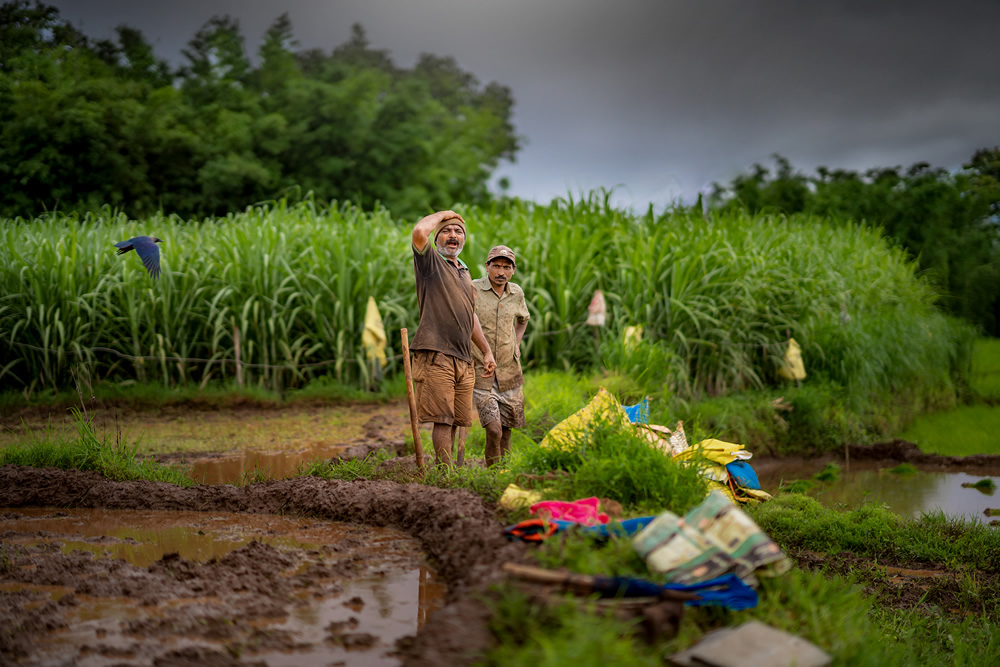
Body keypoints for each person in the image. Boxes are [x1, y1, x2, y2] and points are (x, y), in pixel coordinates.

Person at [410, 210, 496, 466]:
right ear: (437, 237)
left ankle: (454, 472)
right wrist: (445, 214)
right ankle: (445, 473)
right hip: (437, 355)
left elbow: (471, 317)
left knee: (460, 419)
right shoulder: (431, 264)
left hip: (464, 358)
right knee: (443, 418)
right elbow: (418, 232)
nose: (453, 235)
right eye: (446, 231)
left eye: (458, 231)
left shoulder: (464, 272)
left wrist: (486, 350)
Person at [472, 245, 530, 467]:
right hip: (481, 370)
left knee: (506, 430)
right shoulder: (473, 289)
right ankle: (492, 471)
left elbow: (523, 319)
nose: (500, 272)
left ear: (513, 270)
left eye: (506, 267)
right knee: (493, 429)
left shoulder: (516, 293)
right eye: (496, 265)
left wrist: (516, 342)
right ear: (487, 266)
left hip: (510, 371)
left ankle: (501, 475)